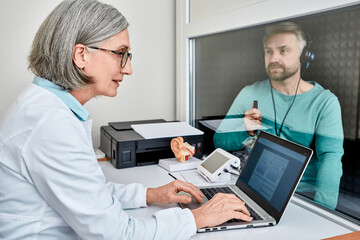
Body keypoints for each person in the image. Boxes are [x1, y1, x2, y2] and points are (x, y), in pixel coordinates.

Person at [0, 0, 252, 239]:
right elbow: (117, 234)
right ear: (81, 55)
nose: (128, 68)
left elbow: (87, 193)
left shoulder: (46, 107)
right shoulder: (51, 124)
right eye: (121, 53)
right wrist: (197, 219)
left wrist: (150, 194)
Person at [213, 22, 344, 210]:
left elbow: (330, 159)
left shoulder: (325, 102)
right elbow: (220, 140)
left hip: (301, 198)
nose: (274, 58)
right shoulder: (249, 93)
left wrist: (324, 211)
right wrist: (246, 131)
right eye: (269, 51)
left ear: (304, 55)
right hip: (252, 190)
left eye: (283, 51)